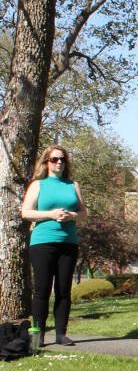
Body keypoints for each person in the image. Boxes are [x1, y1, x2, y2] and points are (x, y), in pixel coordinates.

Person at [21, 145, 86, 346]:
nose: (59, 162)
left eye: (62, 159)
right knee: (42, 289)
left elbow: (84, 215)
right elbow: (26, 212)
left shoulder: (73, 185)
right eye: (54, 159)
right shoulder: (38, 185)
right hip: (43, 243)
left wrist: (72, 215)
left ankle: (61, 333)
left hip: (68, 243)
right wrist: (50, 214)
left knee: (63, 289)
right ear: (46, 162)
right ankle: (38, 335)